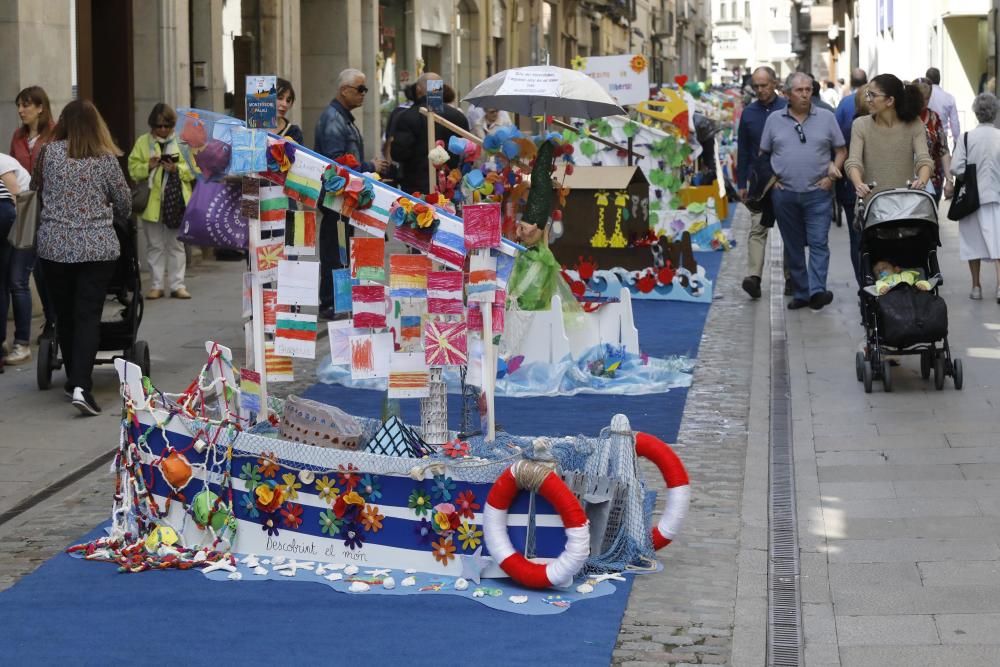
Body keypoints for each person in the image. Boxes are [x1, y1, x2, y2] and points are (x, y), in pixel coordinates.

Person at [34, 100, 131, 415]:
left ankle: (72, 380)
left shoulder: (48, 154)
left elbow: (37, 187)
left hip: (55, 248)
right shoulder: (105, 159)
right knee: (88, 314)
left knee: (65, 314)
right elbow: (123, 200)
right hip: (96, 248)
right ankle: (80, 385)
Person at [761, 72, 847, 311]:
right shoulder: (774, 120)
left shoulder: (827, 118)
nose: (805, 94)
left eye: (808, 89)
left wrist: (832, 175)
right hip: (784, 193)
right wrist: (772, 180)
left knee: (819, 242)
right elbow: (764, 154)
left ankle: (817, 291)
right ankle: (801, 292)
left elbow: (841, 150)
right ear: (787, 94)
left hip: (818, 193)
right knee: (793, 245)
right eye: (799, 90)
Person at [314, 68, 389, 320]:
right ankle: (331, 303)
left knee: (341, 250)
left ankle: (339, 301)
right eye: (360, 89)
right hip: (336, 198)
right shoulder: (334, 118)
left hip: (344, 199)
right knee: (335, 251)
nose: (364, 94)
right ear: (344, 90)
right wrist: (369, 167)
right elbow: (336, 163)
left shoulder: (342, 117)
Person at [128, 103, 195, 300]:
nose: (163, 130)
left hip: (176, 202)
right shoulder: (143, 142)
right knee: (155, 245)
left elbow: (193, 170)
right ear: (152, 126)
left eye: (167, 126)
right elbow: (133, 168)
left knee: (176, 245)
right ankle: (156, 284)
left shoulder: (182, 143)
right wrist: (147, 166)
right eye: (159, 126)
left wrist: (176, 169)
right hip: (151, 204)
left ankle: (178, 285)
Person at [737, 66, 788, 300]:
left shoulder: (787, 108)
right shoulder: (748, 113)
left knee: (790, 230)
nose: (760, 90)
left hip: (785, 179)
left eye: (764, 85)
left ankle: (792, 278)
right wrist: (741, 183)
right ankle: (753, 277)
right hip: (759, 182)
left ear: (774, 83)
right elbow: (744, 150)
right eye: (756, 86)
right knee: (757, 229)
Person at [10, 85, 57, 341]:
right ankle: (49, 321)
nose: (21, 110)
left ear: (40, 107)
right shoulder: (17, 137)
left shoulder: (57, 133)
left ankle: (53, 320)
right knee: (30, 265)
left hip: (51, 207)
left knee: (46, 266)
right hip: (25, 208)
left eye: (26, 105)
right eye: (18, 105)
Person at [844, 73, 934, 201]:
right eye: (867, 94)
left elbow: (924, 160)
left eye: (873, 95)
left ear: (890, 101)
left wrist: (922, 181)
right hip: (871, 205)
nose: (868, 99)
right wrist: (859, 184)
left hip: (905, 206)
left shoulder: (914, 123)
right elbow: (854, 161)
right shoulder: (860, 124)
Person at [949, 93, 1000, 302]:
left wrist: (967, 176)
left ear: (976, 113)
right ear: (995, 112)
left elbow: (955, 167)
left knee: (973, 244)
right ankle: (999, 287)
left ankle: (976, 286)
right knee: (998, 243)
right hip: (996, 196)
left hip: (971, 198)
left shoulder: (966, 137)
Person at [389, 72, 471, 196]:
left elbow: (399, 153)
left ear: (418, 89)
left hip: (416, 189)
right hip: (450, 187)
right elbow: (467, 153)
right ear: (440, 89)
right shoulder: (457, 116)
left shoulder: (408, 116)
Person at [834, 68, 868, 285]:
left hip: (849, 184)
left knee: (856, 238)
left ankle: (863, 284)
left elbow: (836, 144)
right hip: (866, 185)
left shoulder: (843, 105)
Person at [0, 153, 30, 366]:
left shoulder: (1, 162)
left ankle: (22, 343)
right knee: (7, 282)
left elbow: (16, 193)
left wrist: (19, 232)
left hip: (23, 217)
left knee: (17, 282)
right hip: (16, 217)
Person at [913, 78, 952, 205]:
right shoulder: (904, 117)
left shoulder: (934, 118)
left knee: (931, 221)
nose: (924, 102)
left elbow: (943, 149)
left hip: (934, 180)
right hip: (909, 181)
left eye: (927, 98)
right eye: (920, 98)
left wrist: (949, 180)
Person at [926, 67, 961, 149]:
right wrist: (957, 142)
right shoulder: (949, 98)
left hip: (924, 139)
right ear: (939, 79)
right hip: (941, 140)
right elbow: (954, 123)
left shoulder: (922, 97)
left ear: (926, 79)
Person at [275, 77, 303, 143]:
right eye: (280, 98)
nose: (285, 104)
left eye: (288, 100)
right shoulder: (250, 129)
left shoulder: (294, 133)